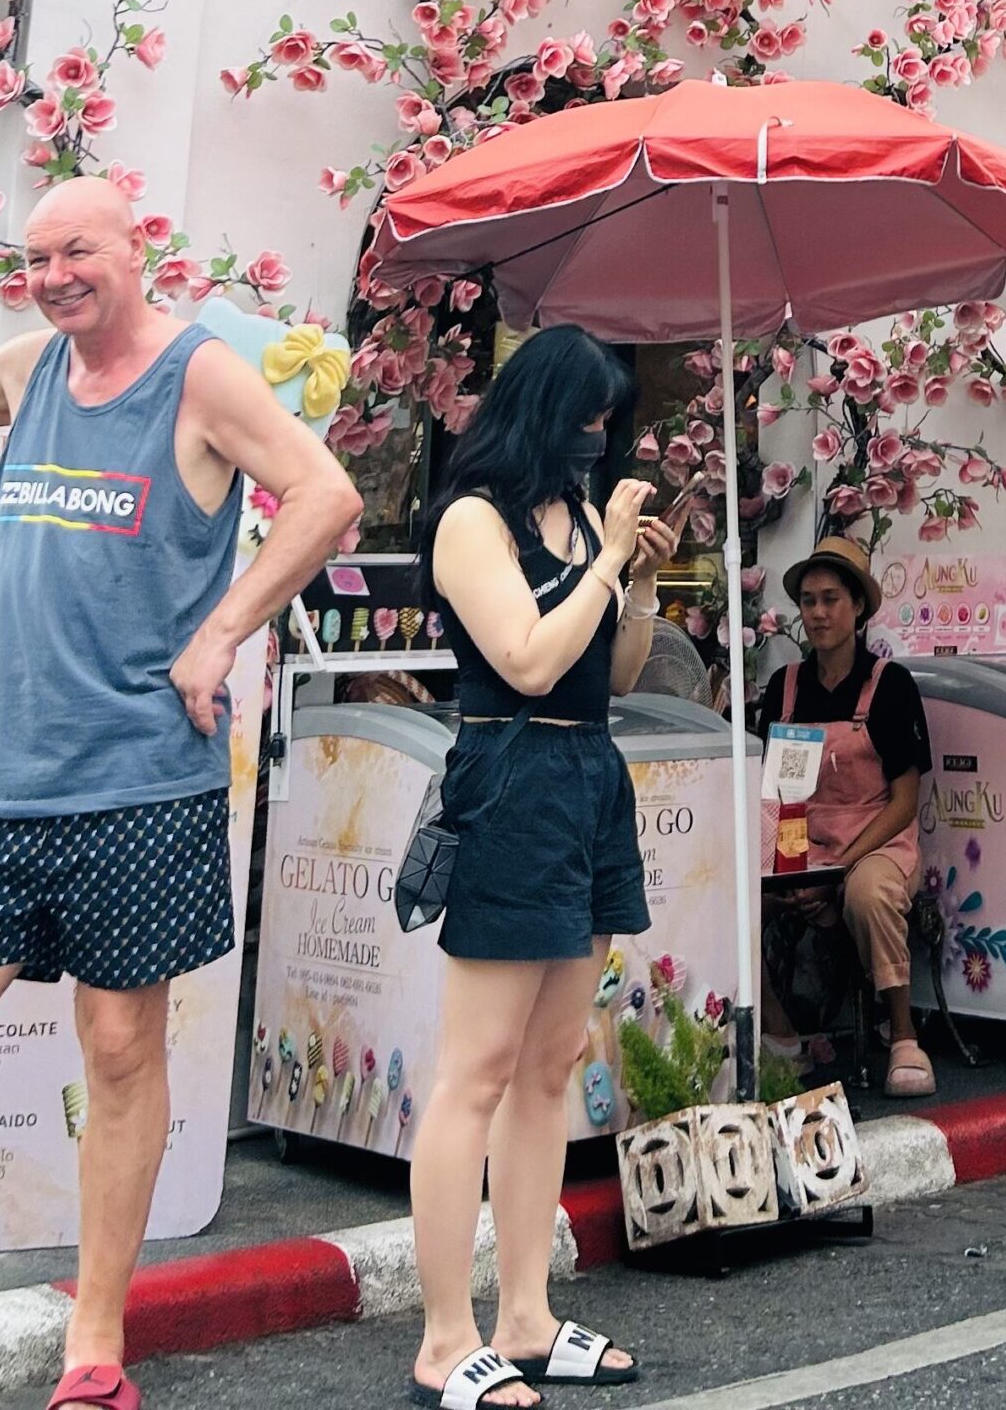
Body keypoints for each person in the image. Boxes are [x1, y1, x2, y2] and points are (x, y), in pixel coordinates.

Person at [0, 168, 361, 1410]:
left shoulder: (198, 374)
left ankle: (94, 1345)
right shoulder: (31, 368)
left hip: (138, 782)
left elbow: (324, 494)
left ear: (135, 245)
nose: (52, 280)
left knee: (118, 1049)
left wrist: (221, 633)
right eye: (36, 262)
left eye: (74, 254)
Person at [408, 326, 678, 1410]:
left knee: (549, 1064)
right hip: (511, 771)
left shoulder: (577, 515)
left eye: (611, 419)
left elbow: (604, 666)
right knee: (474, 1069)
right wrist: (605, 557)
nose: (600, 437)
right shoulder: (472, 521)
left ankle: (524, 1314)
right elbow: (523, 657)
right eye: (588, 414)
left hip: (586, 773)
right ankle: (443, 1336)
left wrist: (640, 584)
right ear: (543, 409)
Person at [755, 537, 936, 1097]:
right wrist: (783, 871)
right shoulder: (784, 688)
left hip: (877, 845)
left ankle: (903, 1036)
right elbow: (775, 794)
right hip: (803, 844)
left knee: (867, 893)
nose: (818, 613)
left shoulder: (891, 687)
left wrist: (838, 870)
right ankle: (779, 1034)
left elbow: (905, 802)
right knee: (732, 898)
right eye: (809, 601)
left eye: (831, 599)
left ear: (858, 607)